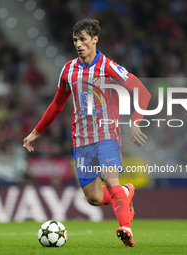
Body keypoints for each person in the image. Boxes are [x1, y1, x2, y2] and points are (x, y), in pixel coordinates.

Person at [23, 18, 151, 247]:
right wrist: (36, 131)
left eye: (83, 39)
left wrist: (135, 121)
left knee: (111, 181)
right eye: (75, 40)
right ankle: (126, 192)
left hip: (106, 135)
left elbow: (142, 92)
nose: (78, 44)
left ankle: (126, 228)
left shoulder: (108, 66)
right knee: (94, 198)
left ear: (95, 40)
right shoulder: (68, 70)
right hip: (81, 140)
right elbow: (57, 105)